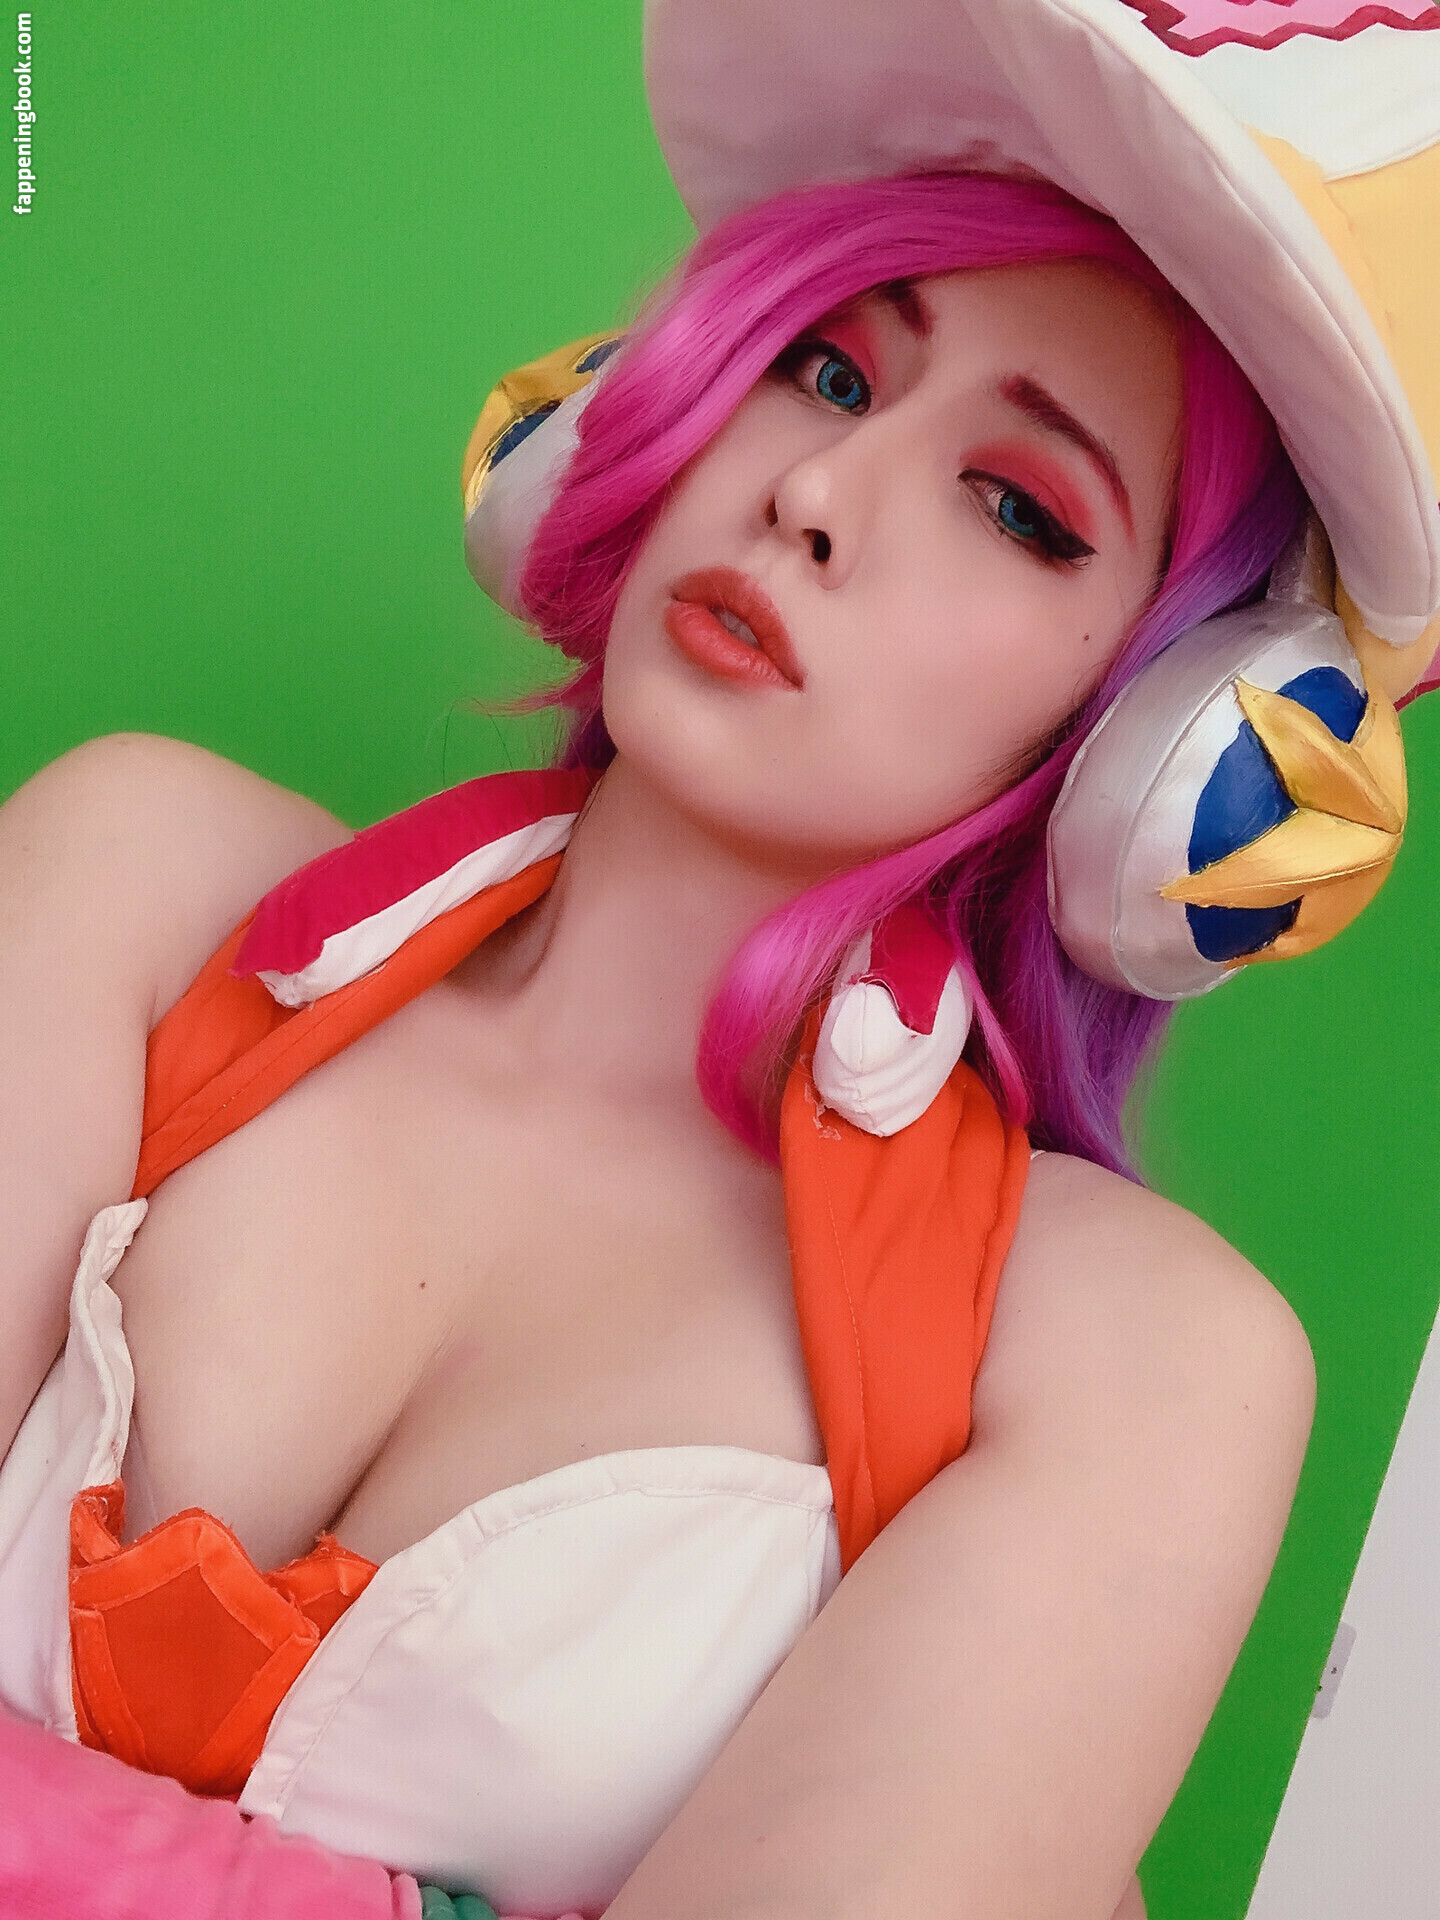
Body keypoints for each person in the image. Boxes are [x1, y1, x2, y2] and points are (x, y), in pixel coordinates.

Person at [0, 4, 1436, 1918]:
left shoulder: (1128, 1359)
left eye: (1019, 507)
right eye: (831, 373)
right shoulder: (141, 876)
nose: (813, 498)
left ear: (1181, 749)